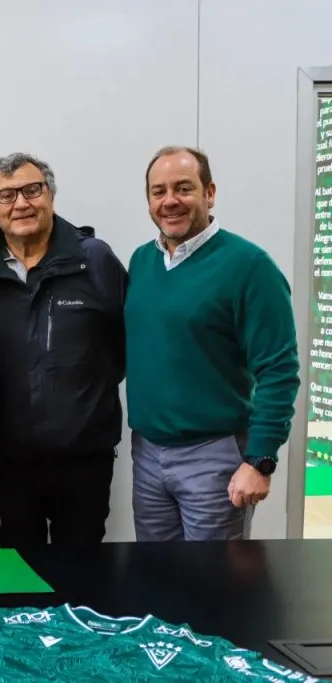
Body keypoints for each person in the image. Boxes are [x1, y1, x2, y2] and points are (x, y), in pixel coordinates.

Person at [125, 146, 300, 541]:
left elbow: (279, 371)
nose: (170, 201)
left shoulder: (250, 267)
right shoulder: (141, 262)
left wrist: (260, 460)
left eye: (183, 188)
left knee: (213, 588)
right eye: (158, 191)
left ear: (210, 192)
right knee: (156, 579)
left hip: (215, 457)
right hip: (148, 455)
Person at [0, 153, 128, 546]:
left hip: (85, 458)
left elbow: (124, 345)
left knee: (84, 573)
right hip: (12, 459)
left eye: (31, 190)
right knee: (23, 574)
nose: (20, 203)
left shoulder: (95, 260)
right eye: (6, 195)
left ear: (50, 196)